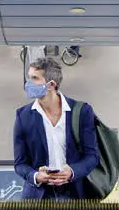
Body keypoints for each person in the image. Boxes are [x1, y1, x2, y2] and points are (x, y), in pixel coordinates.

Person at [13, 56, 99, 200]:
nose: (28, 84)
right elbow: (20, 164)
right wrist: (36, 176)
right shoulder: (23, 116)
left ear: (51, 85)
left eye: (34, 78)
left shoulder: (82, 111)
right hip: (39, 196)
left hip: (74, 194)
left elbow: (92, 156)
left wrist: (72, 172)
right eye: (29, 77)